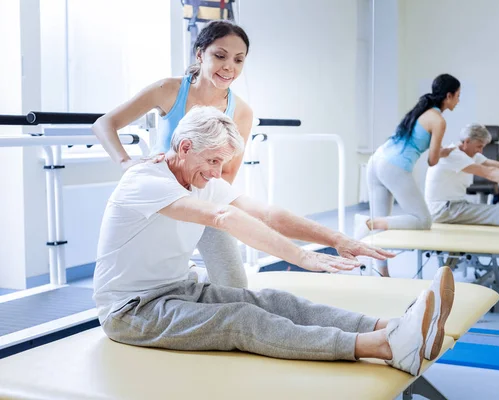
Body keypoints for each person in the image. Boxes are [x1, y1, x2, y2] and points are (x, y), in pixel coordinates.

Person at [93, 106, 456, 377]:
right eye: (214, 160)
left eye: (224, 163)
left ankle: (389, 326)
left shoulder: (201, 179)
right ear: (185, 146)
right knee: (241, 319)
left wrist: (337, 239)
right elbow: (224, 217)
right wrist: (301, 257)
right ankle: (388, 347)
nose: (218, 173)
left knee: (271, 300)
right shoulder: (145, 180)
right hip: (131, 311)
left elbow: (268, 214)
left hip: (180, 290)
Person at [92, 20, 252, 289]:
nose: (229, 67)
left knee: (235, 285)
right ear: (200, 54)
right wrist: (125, 162)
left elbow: (226, 174)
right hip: (160, 196)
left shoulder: (242, 112)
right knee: (154, 280)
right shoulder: (169, 90)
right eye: (220, 56)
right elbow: (104, 124)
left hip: (203, 199)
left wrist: (203, 211)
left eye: (239, 60)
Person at [354, 74, 461, 277]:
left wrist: (440, 151)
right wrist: (441, 153)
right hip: (394, 166)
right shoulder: (439, 120)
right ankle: (368, 223)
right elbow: (432, 161)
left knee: (381, 227)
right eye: (457, 95)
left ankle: (382, 273)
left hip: (377, 160)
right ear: (448, 95)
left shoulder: (421, 111)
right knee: (423, 220)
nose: (458, 100)